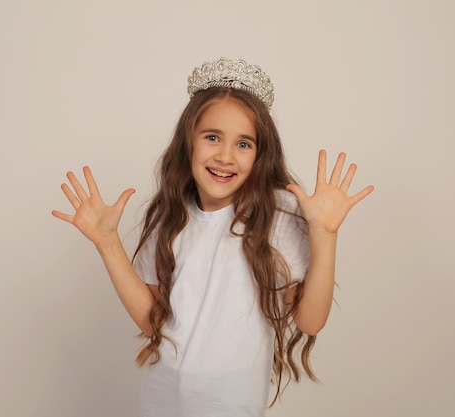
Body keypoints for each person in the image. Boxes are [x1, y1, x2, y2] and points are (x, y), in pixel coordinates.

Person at [52, 57, 374, 417]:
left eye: (243, 144)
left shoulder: (278, 214)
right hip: (163, 399)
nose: (225, 156)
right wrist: (108, 244)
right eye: (212, 137)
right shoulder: (169, 216)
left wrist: (325, 235)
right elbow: (153, 320)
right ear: (188, 142)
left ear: (260, 154)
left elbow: (310, 320)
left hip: (231, 406)